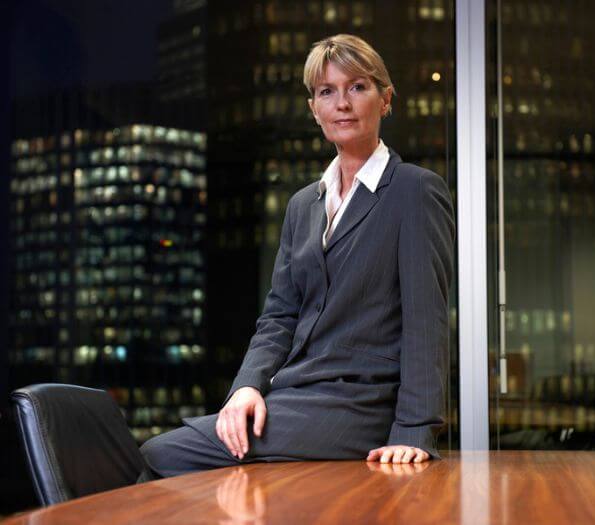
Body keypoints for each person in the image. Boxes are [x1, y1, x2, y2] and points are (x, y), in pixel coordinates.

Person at [139, 34, 455, 479]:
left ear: (385, 100)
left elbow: (427, 320)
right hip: (292, 397)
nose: (342, 103)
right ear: (315, 111)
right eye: (327, 91)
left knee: (161, 454)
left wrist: (414, 430)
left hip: (360, 406)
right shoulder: (303, 205)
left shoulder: (414, 190)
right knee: (172, 460)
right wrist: (247, 387)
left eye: (357, 87)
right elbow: (280, 316)